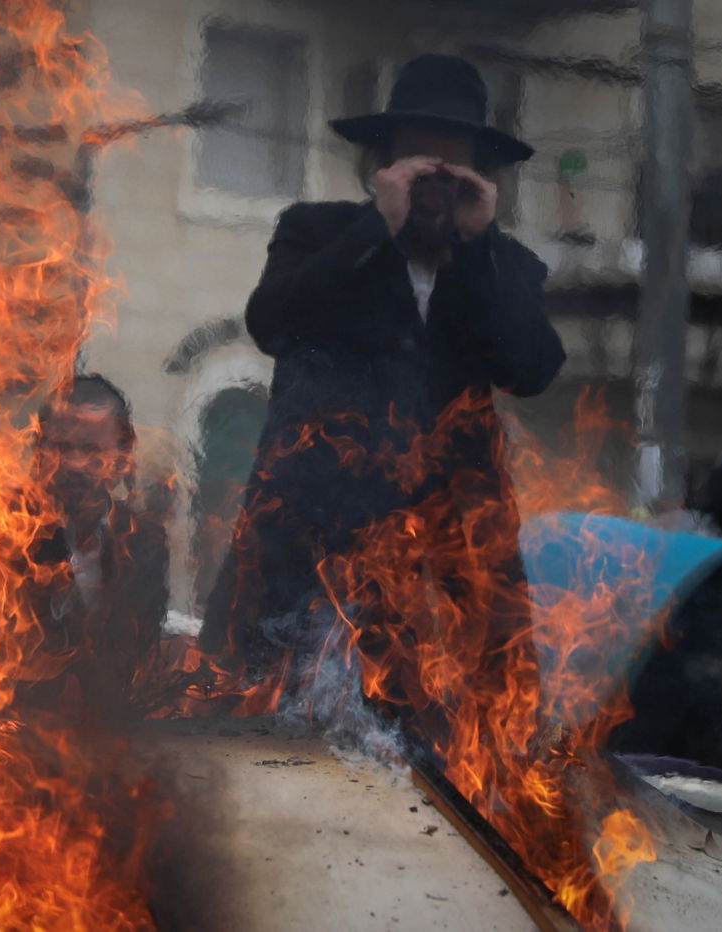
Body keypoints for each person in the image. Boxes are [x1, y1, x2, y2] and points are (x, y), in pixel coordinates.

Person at [200, 55, 565, 740]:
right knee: (272, 733)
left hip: (450, 564)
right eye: (421, 165)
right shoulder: (318, 232)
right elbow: (272, 322)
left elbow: (530, 367)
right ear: (385, 161)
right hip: (311, 544)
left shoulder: (505, 264)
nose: (435, 186)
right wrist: (378, 227)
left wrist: (481, 245)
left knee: (459, 746)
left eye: (453, 170)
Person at [16, 374, 168, 722]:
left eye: (92, 450)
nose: (74, 464)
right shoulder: (5, 533)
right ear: (39, 450)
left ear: (122, 454)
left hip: (111, 738)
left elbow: (139, 649)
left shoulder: (144, 540)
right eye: (61, 447)